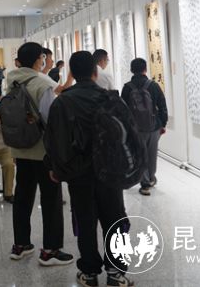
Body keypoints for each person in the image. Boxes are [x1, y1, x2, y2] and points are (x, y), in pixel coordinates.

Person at [44, 51, 134, 287]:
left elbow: (54, 140)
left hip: (78, 174)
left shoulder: (62, 102)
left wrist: (55, 168)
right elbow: (126, 135)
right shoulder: (110, 99)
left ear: (72, 73)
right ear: (95, 72)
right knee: (115, 220)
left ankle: (89, 272)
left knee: (85, 222)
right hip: (109, 172)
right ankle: (116, 272)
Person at [6, 42, 73, 266]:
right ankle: (51, 250)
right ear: (39, 59)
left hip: (20, 148)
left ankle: (21, 245)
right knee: (51, 199)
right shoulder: (42, 84)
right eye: (43, 57)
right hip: (43, 152)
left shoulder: (11, 81)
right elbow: (50, 120)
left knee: (22, 198)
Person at [121, 58, 168, 196]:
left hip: (136, 129)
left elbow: (123, 110)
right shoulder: (153, 86)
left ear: (131, 70)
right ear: (145, 69)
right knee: (152, 154)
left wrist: (127, 128)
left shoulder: (127, 87)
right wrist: (163, 124)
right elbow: (162, 106)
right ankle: (151, 178)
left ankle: (145, 183)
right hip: (153, 127)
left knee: (140, 155)